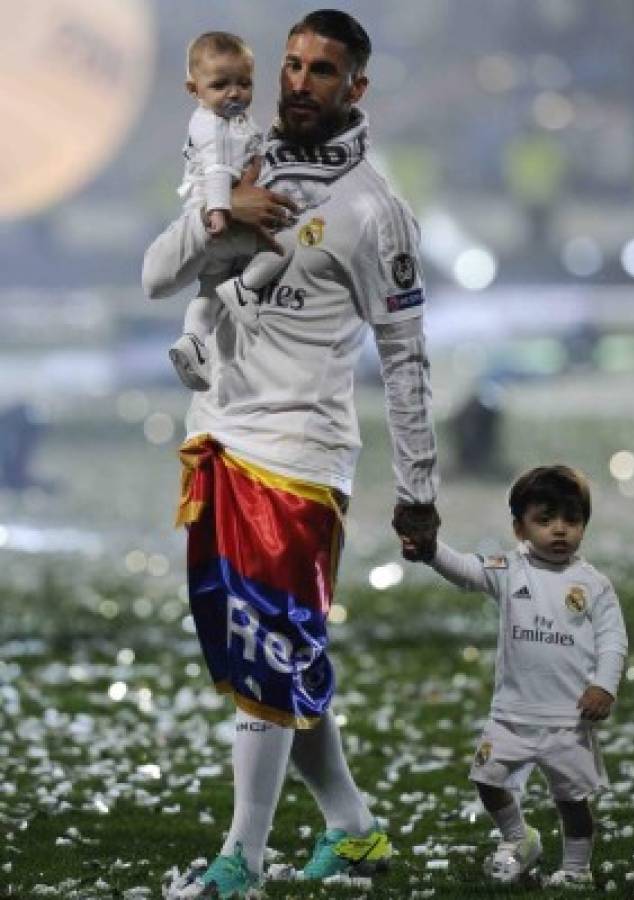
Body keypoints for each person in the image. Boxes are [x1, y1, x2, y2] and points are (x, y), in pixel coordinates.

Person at [143, 9, 439, 898]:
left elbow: (405, 356)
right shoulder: (239, 162)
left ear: (356, 86)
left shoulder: (374, 210)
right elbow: (158, 275)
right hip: (220, 442)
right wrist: (220, 213)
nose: (300, 81)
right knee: (273, 656)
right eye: (293, 64)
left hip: (301, 458)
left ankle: (243, 858)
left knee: (267, 655)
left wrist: (418, 487)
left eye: (323, 70)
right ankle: (351, 829)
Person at [406, 465, 627, 889]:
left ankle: (577, 870)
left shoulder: (593, 584)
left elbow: (613, 640)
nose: (559, 530)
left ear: (583, 524)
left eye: (571, 520)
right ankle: (518, 837)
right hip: (511, 712)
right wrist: (432, 549)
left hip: (568, 717)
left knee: (572, 801)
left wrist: (604, 685)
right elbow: (466, 571)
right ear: (519, 527)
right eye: (545, 521)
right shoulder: (509, 569)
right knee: (486, 779)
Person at [167, 30, 292, 391]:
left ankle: (191, 339)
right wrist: (221, 213)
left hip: (205, 219)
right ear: (195, 90)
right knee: (283, 247)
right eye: (221, 85)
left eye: (244, 83)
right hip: (224, 219)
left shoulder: (232, 121)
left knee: (207, 292)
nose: (235, 93)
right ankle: (243, 288)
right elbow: (218, 171)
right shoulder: (215, 127)